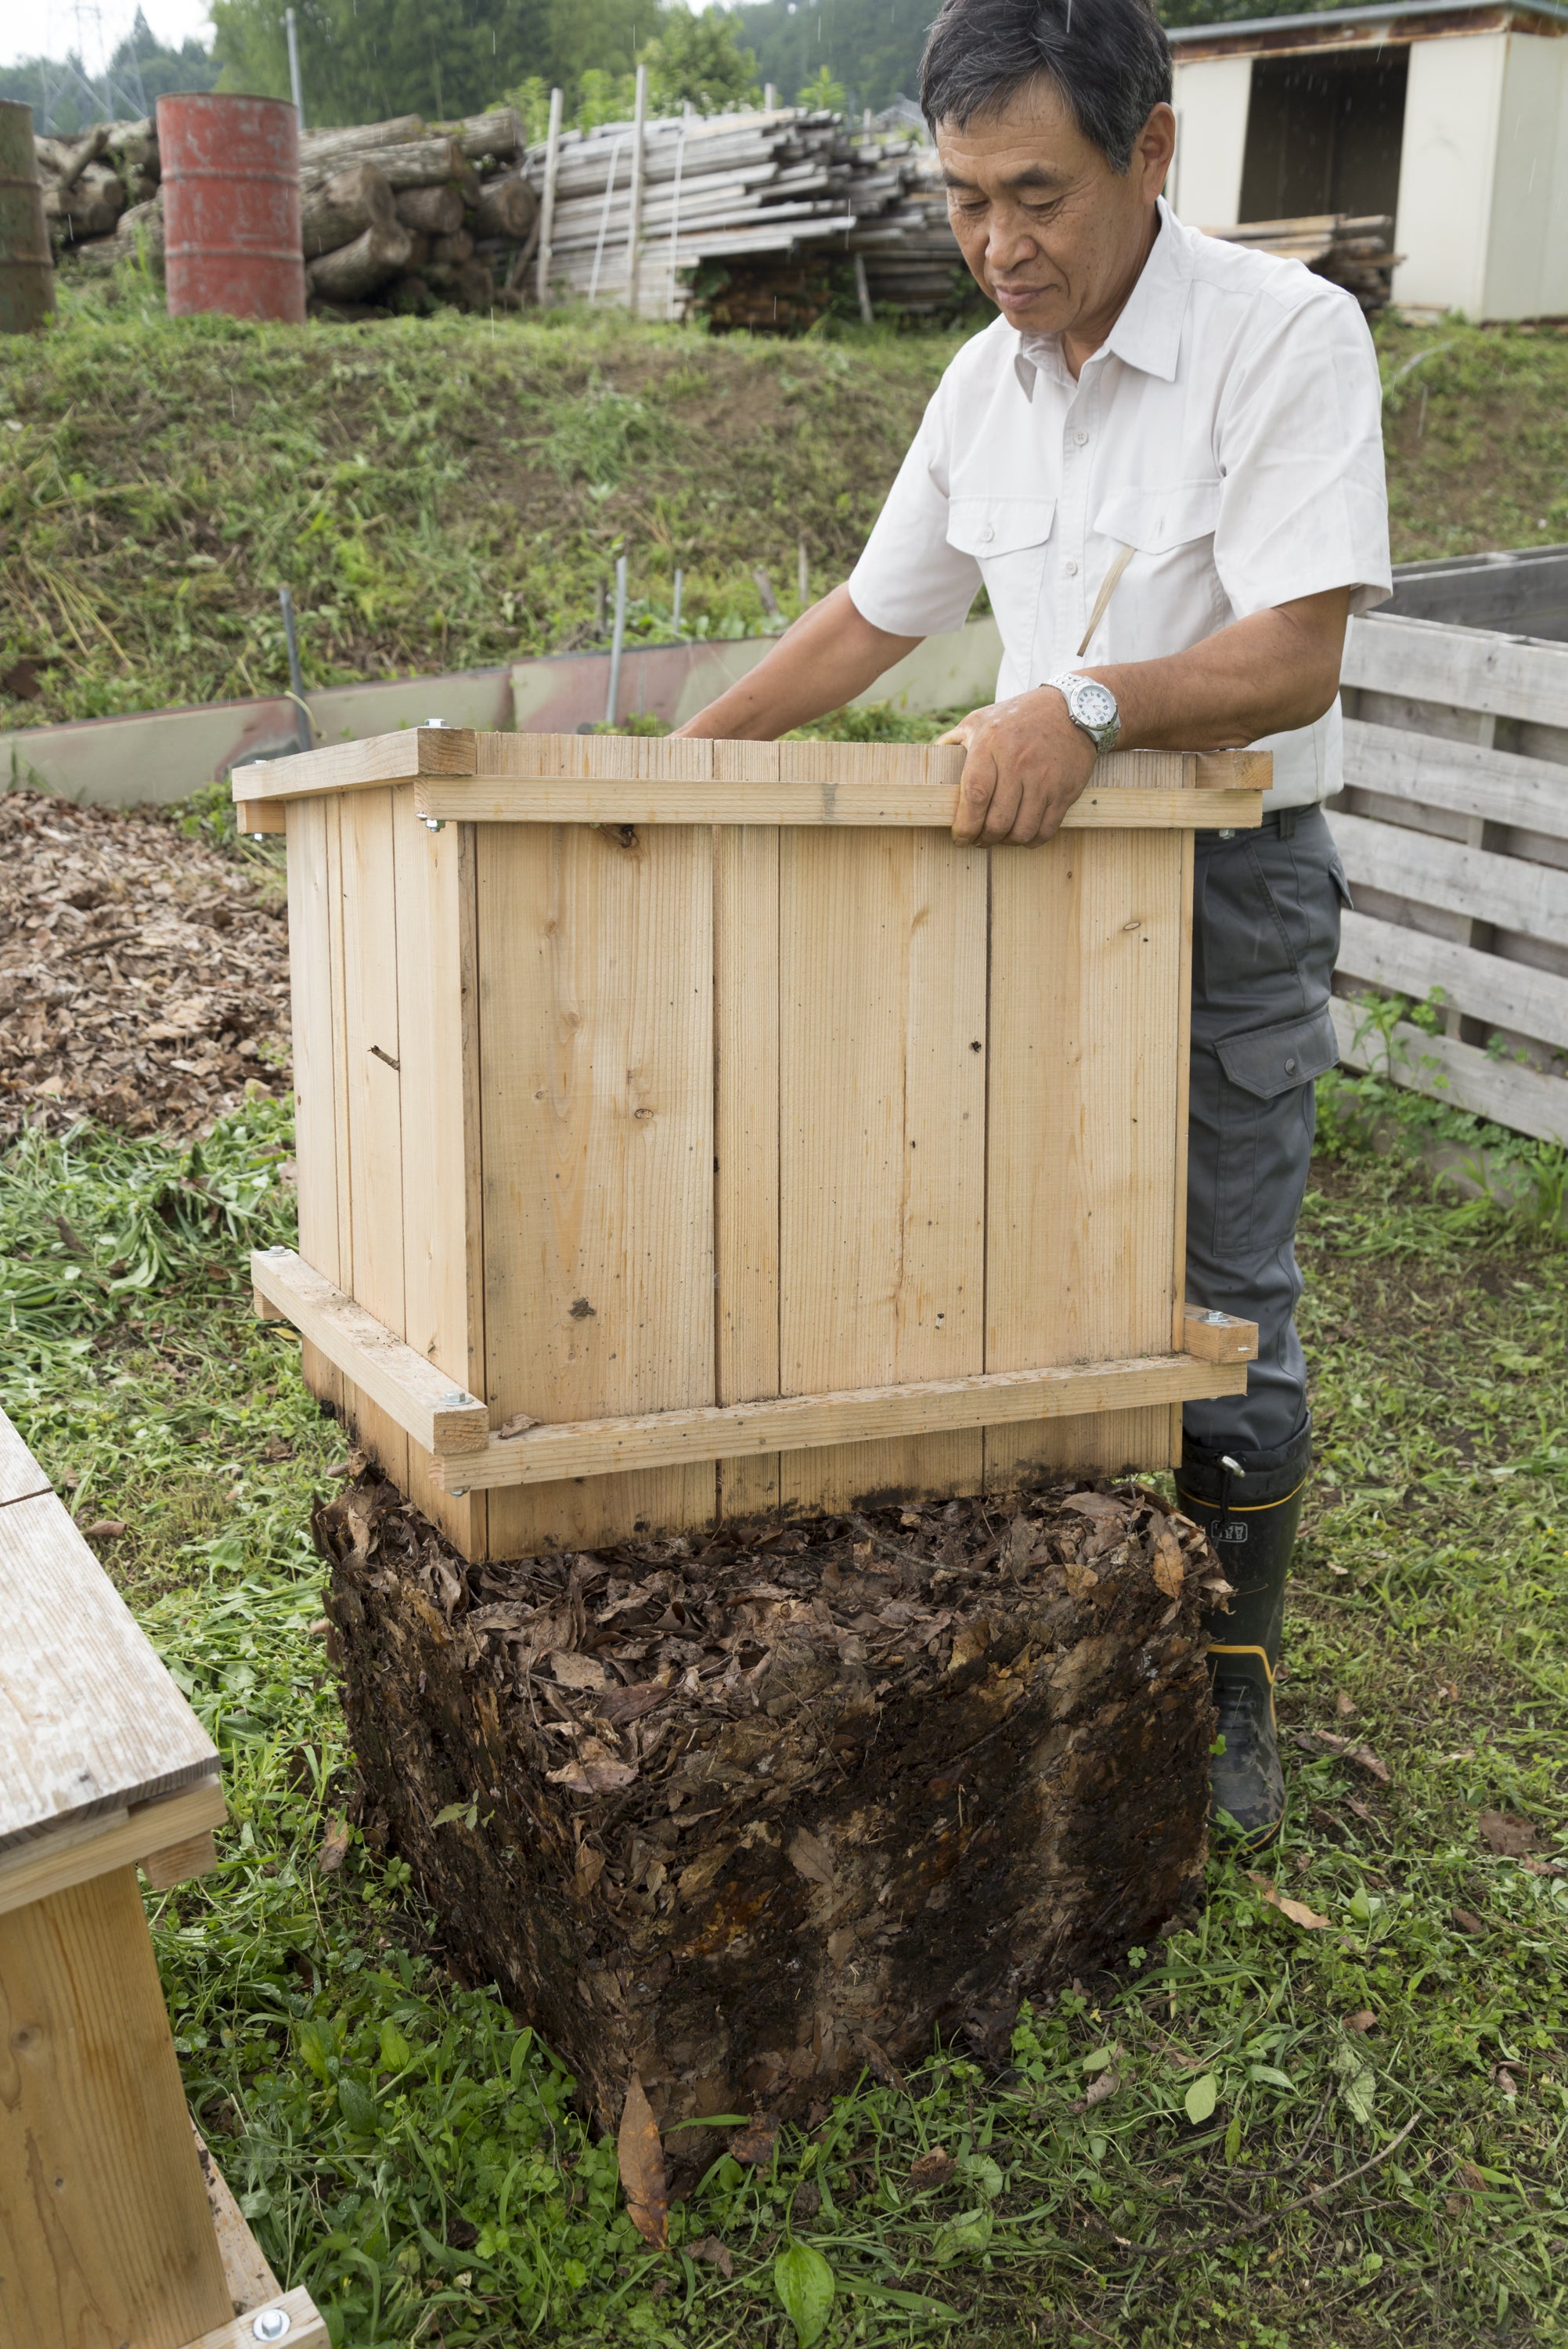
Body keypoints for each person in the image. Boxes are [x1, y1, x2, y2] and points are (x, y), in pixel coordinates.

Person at [677, 0, 1392, 1847]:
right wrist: (686, 760)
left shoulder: (1283, 339)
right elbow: (872, 616)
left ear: (1154, 155)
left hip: (1226, 880)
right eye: (966, 198)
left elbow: (1296, 649)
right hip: (1021, 881)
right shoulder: (981, 381)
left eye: (1039, 193)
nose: (999, 243)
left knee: (1220, 1291)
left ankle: (1227, 1683)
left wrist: (1075, 706)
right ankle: (1060, 1635)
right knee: (1005, 1248)